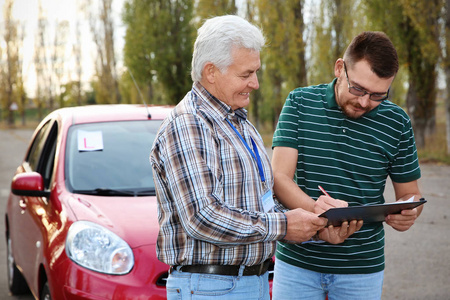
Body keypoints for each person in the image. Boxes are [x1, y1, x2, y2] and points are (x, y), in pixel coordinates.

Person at [150, 15, 328, 300]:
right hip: (212, 288)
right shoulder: (189, 123)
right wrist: (284, 226)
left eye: (255, 72)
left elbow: (258, 204)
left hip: (247, 283)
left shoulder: (239, 122)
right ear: (211, 71)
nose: (255, 84)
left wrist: (315, 224)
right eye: (246, 75)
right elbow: (202, 217)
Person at [271, 31, 423, 300]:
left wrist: (409, 211)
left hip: (362, 269)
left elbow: (409, 194)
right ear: (340, 68)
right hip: (297, 264)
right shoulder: (299, 103)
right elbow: (279, 178)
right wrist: (317, 210)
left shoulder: (397, 122)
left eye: (378, 95)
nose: (365, 102)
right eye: (358, 89)